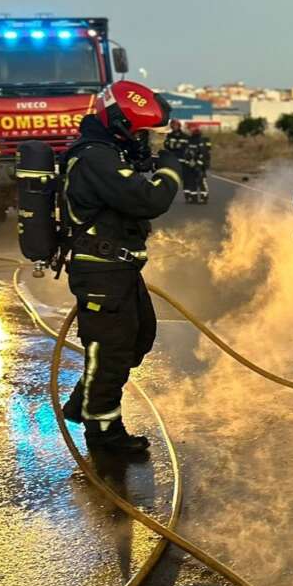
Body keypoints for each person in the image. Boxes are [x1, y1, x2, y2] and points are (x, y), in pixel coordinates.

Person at [59, 81, 182, 454]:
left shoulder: (107, 153)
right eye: (143, 133)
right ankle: (104, 435)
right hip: (101, 273)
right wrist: (172, 172)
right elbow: (148, 199)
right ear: (120, 125)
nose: (146, 141)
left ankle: (86, 402)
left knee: (139, 337)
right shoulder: (97, 157)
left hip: (119, 270)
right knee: (109, 351)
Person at [183, 123, 211, 204]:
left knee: (201, 181)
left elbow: (203, 154)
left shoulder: (201, 140)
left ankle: (204, 197)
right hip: (191, 165)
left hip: (200, 165)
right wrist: (188, 162)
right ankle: (193, 198)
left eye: (191, 129)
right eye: (189, 129)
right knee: (192, 181)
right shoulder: (189, 140)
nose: (190, 130)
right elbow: (187, 153)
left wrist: (198, 165)